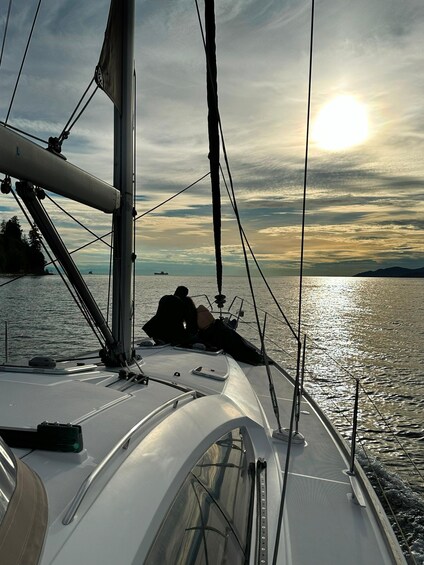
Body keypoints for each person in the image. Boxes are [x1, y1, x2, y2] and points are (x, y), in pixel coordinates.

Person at [196, 305, 264, 365]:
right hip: (218, 329)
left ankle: (255, 357)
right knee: (237, 344)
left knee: (236, 347)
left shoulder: (208, 333)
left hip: (213, 332)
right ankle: (256, 357)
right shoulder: (220, 328)